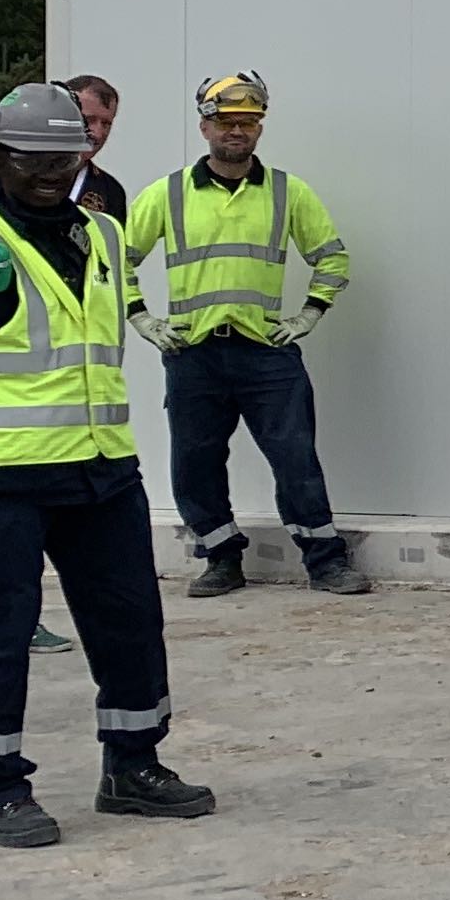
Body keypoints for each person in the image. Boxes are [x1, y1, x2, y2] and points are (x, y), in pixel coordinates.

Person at [0, 81, 215, 849]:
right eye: (28, 158)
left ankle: (132, 765)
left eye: (61, 158)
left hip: (102, 471)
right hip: (0, 482)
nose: (46, 172)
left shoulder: (103, 237)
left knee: (131, 624)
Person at [122, 70, 362, 597]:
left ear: (260, 128)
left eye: (248, 122)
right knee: (196, 462)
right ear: (204, 127)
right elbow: (115, 261)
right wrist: (142, 319)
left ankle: (325, 561)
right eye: (226, 121)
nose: (237, 130)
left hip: (265, 352)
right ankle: (221, 558)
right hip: (193, 352)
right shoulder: (168, 194)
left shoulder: (287, 192)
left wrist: (308, 316)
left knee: (296, 459)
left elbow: (332, 258)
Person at [62, 73, 128, 225]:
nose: (98, 133)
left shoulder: (112, 192)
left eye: (106, 124)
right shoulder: (20, 172)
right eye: (88, 120)